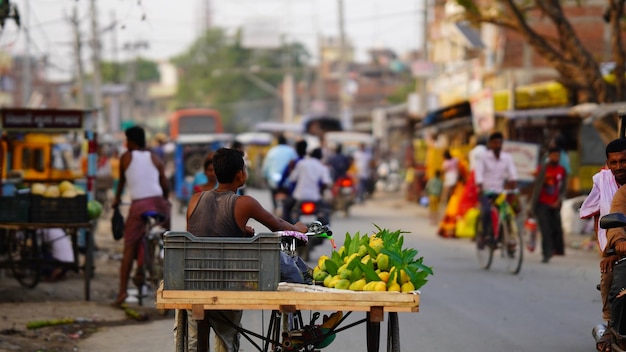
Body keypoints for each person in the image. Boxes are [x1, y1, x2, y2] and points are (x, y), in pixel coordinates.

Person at [185, 147, 307, 352]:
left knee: (197, 339)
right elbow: (277, 224)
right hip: (225, 282)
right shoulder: (244, 203)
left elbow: (202, 236)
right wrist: (299, 229)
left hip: (193, 279)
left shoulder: (195, 199)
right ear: (240, 174)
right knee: (227, 339)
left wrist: (240, 234)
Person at [111, 126, 171, 308]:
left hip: (139, 205)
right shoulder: (154, 157)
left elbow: (121, 183)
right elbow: (164, 183)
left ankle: (121, 293)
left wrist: (116, 202)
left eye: (127, 140)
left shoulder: (126, 157)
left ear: (132, 141)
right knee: (166, 237)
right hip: (158, 202)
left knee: (129, 247)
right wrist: (165, 200)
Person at [579, 138, 626, 352]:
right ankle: (611, 325)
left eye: (623, 161)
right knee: (611, 277)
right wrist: (611, 249)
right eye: (613, 163)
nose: (619, 167)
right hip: (617, 245)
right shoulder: (608, 185)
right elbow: (606, 218)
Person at [474, 132, 518, 248]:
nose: (497, 145)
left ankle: (507, 238)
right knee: (487, 211)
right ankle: (484, 235)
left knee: (507, 212)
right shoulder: (483, 157)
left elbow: (512, 172)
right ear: (490, 144)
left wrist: (513, 182)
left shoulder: (507, 158)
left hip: (500, 191)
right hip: (486, 191)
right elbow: (479, 172)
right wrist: (479, 186)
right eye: (495, 143)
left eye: (499, 142)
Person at [529, 147, 568, 263]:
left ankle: (555, 249)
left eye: (557, 156)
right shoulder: (542, 169)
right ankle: (546, 253)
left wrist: (559, 200)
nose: (555, 158)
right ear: (549, 156)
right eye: (553, 156)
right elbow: (536, 186)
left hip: (555, 204)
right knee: (545, 228)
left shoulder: (562, 170)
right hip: (542, 203)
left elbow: (563, 188)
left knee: (555, 228)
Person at [288, 147, 333, 224]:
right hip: (315, 197)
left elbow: (292, 178)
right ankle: (327, 232)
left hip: (299, 196)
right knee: (326, 210)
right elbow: (327, 182)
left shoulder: (301, 163)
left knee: (286, 208)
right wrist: (322, 189)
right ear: (320, 157)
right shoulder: (322, 167)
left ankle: (285, 231)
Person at [262, 135, 298, 209]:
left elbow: (266, 166)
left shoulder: (272, 151)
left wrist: (265, 177)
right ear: (286, 142)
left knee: (273, 193)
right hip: (288, 182)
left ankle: (275, 208)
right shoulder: (291, 151)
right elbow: (296, 165)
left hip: (273, 181)